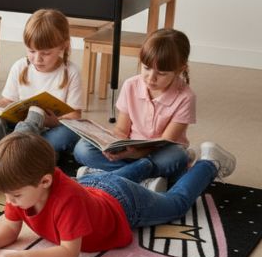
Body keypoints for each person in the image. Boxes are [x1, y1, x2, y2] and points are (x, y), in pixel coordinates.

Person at [0, 131, 236, 257]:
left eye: (14, 196)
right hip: (93, 186)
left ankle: (209, 162)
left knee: (176, 204)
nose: (9, 201)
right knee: (115, 179)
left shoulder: (66, 201)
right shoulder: (20, 186)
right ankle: (156, 164)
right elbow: (10, 229)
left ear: (45, 182)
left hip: (124, 204)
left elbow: (69, 253)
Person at [74, 28, 195, 188]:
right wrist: (113, 146)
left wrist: (138, 153)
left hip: (158, 154)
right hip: (129, 151)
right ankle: (142, 180)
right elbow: (121, 129)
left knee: (177, 155)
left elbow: (167, 140)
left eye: (162, 73)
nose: (151, 78)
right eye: (146, 68)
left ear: (180, 70)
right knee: (82, 148)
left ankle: (104, 176)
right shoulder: (131, 85)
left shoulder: (186, 97)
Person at [0, 8, 83, 157]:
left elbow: (75, 117)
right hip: (18, 126)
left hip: (48, 131)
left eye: (46, 53)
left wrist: (53, 122)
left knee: (68, 134)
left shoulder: (71, 72)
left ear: (63, 46)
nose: (37, 59)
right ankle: (27, 153)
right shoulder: (20, 66)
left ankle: (5, 148)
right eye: (31, 51)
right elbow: (8, 101)